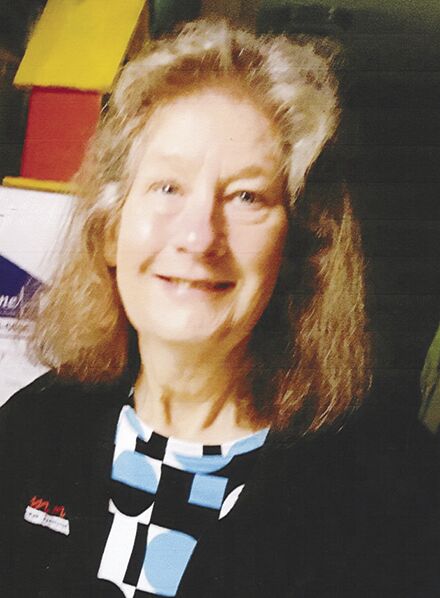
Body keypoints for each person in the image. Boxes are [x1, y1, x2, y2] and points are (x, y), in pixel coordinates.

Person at [0, 19, 436, 598]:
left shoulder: (394, 488)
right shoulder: (31, 428)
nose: (199, 237)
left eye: (246, 196)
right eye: (167, 187)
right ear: (110, 229)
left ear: (298, 245)